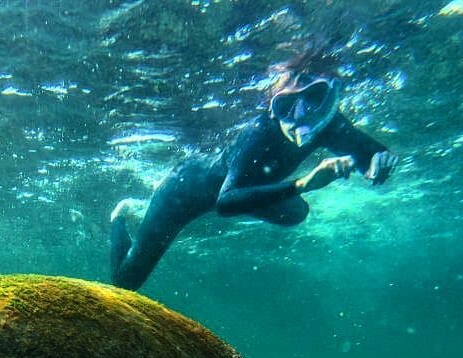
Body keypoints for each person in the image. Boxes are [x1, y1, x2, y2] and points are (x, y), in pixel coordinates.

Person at [110, 53, 399, 291]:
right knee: (127, 282)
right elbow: (227, 202)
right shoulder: (260, 132)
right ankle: (121, 216)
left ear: (329, 101)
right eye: (286, 105)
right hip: (184, 190)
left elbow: (372, 152)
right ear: (273, 105)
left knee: (296, 214)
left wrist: (377, 166)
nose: (299, 117)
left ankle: (148, 213)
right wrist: (304, 183)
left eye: (312, 100)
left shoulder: (330, 124)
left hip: (240, 190)